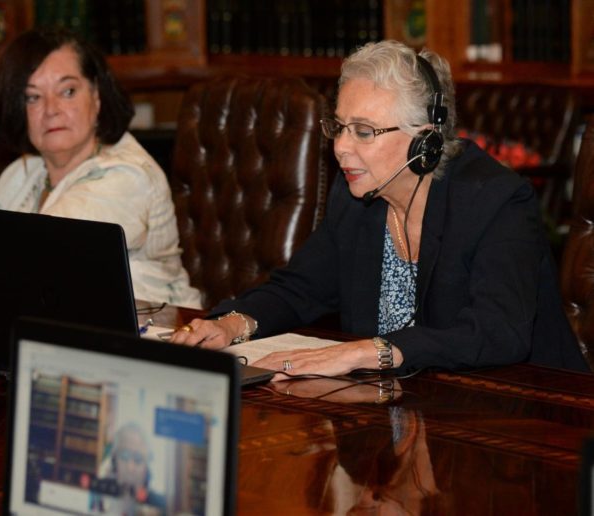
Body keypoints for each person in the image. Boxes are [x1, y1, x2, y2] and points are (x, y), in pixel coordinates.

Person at [170, 39, 589, 375]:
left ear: (426, 141)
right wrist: (232, 324)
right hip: (406, 412)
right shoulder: (359, 197)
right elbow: (300, 287)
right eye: (338, 126)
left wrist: (368, 352)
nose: (340, 148)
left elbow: (498, 331)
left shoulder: (496, 201)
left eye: (364, 132)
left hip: (521, 418)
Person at [0, 27, 201, 308]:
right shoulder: (28, 171)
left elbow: (22, 256)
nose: (51, 109)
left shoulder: (128, 175)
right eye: (33, 97)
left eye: (67, 91)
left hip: (155, 343)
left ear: (96, 95)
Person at [109, 423, 166, 516]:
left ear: (146, 467)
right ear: (114, 461)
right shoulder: (99, 490)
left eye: (138, 459)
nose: (130, 467)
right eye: (124, 456)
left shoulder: (161, 505)